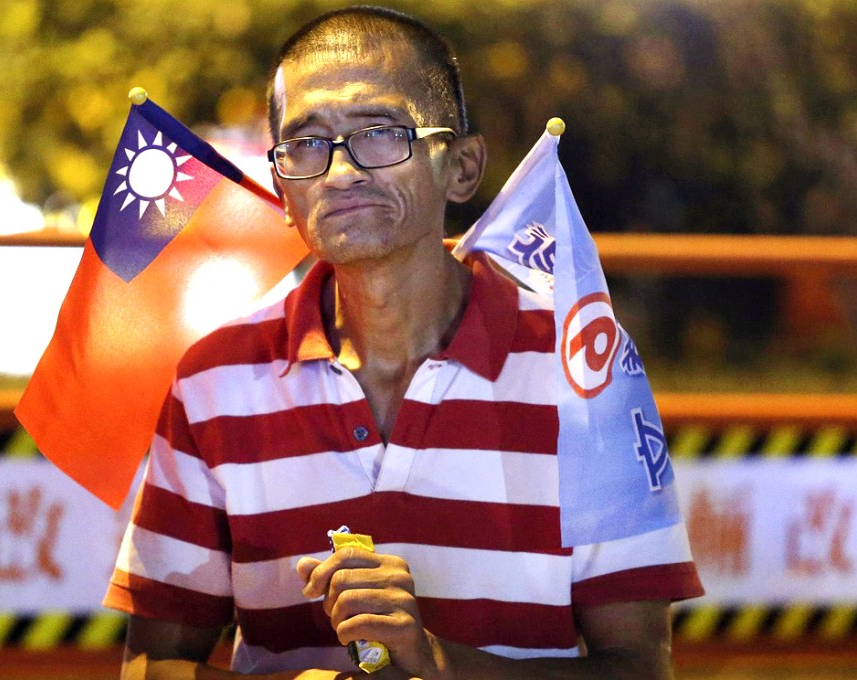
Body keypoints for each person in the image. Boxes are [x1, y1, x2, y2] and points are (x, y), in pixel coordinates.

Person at [105, 6, 703, 680]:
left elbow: (639, 669)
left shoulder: (582, 366)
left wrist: (440, 664)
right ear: (281, 186)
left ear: (463, 168)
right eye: (305, 144)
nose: (339, 172)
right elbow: (152, 664)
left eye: (380, 133)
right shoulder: (214, 380)